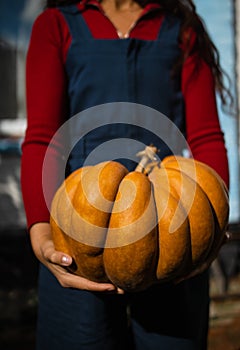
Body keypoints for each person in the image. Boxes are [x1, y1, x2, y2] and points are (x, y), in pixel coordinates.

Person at [21, 0, 230, 349]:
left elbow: (206, 137)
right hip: (79, 233)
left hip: (173, 229)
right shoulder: (55, 25)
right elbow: (44, 138)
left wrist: (212, 221)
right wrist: (41, 232)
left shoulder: (183, 29)